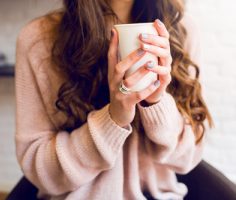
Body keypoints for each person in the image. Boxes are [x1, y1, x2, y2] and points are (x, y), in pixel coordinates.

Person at [15, 0, 214, 199]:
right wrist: (112, 120)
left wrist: (155, 104)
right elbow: (40, 171)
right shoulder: (38, 41)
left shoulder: (181, 29)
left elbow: (189, 155)